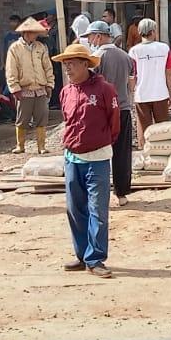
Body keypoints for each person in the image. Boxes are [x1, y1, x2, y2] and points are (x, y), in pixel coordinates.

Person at [54, 42, 120, 279]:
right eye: (65, 64)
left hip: (98, 159)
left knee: (97, 211)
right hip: (72, 158)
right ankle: (82, 255)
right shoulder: (66, 91)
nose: (68, 69)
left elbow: (115, 124)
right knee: (75, 210)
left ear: (85, 64)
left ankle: (96, 258)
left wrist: (99, 141)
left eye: (71, 64)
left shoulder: (105, 90)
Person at [87, 21, 135, 206]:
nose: (90, 40)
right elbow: (131, 83)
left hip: (102, 112)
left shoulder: (96, 57)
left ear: (99, 36)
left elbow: (90, 84)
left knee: (99, 153)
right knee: (122, 153)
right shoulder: (125, 56)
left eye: (91, 37)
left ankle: (100, 192)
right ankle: (121, 193)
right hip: (122, 109)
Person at [6, 17, 55, 154]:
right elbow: (11, 70)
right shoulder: (14, 49)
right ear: (27, 33)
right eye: (34, 32)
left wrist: (50, 84)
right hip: (24, 89)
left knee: (42, 117)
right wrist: (14, 88)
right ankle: (20, 146)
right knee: (22, 118)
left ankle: (41, 146)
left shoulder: (41, 47)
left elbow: (48, 68)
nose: (37, 35)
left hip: (40, 88)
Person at [128, 18, 171, 143]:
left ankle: (145, 153)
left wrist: (133, 92)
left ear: (139, 32)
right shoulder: (164, 48)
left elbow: (132, 75)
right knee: (163, 129)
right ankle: (162, 154)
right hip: (160, 94)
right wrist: (169, 91)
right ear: (153, 31)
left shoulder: (134, 51)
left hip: (142, 95)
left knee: (145, 129)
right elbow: (169, 72)